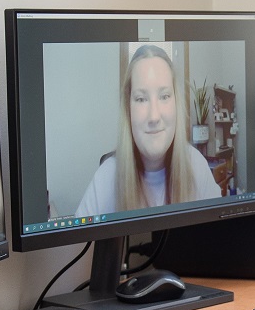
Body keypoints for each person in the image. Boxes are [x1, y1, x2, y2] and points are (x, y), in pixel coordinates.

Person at [75, 44, 219, 217]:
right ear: (128, 110)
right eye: (141, 99)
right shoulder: (105, 179)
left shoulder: (197, 167)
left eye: (164, 96)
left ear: (176, 104)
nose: (154, 116)